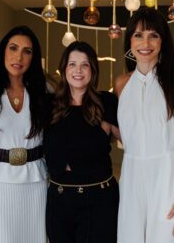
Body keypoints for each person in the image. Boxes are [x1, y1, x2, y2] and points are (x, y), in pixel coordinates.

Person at [115, 7, 174, 243]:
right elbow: (129, 134)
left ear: (163, 40)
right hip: (132, 179)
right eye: (138, 35)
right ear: (130, 41)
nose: (145, 42)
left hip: (170, 180)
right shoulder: (121, 85)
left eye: (153, 35)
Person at [0, 26, 50, 243]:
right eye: (13, 48)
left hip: (35, 181)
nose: (19, 57)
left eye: (27, 51)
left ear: (34, 57)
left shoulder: (45, 91)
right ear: (2, 51)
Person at [43, 41, 121, 243]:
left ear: (93, 70)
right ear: (64, 68)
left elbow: (134, 141)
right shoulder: (48, 104)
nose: (78, 70)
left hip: (99, 201)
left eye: (85, 65)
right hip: (59, 202)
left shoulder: (106, 102)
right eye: (72, 64)